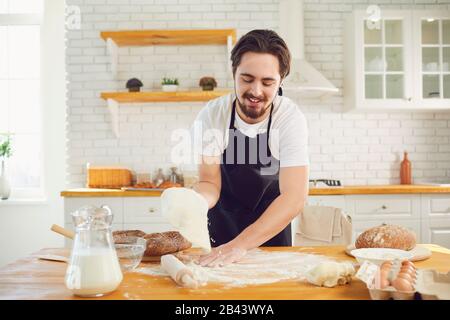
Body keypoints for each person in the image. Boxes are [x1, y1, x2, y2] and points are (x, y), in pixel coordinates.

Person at [192, 29, 309, 267]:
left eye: (267, 83)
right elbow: (210, 182)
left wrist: (240, 245)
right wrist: (193, 202)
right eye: (247, 79)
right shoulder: (213, 115)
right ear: (233, 73)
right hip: (220, 235)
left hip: (271, 233)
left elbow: (294, 196)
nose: (255, 91)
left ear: (281, 81)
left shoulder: (289, 118)